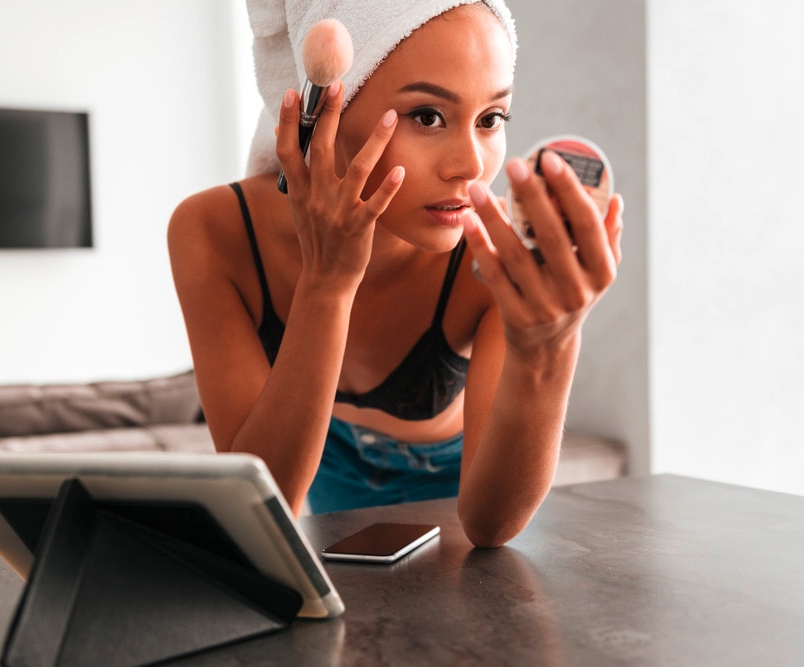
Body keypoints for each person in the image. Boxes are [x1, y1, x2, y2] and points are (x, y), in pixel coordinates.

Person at [168, 0, 623, 546]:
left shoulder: (491, 257)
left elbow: (489, 524)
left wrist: (550, 344)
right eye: (428, 116)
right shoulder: (215, 232)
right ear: (327, 112)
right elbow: (265, 505)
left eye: (491, 119)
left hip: (461, 480)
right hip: (324, 471)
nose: (471, 165)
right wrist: (327, 285)